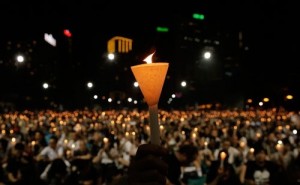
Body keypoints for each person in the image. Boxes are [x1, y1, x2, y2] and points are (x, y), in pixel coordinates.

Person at [126, 143, 199, 185]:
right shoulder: (172, 165)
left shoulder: (170, 153)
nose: (190, 163)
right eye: (190, 160)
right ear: (184, 155)